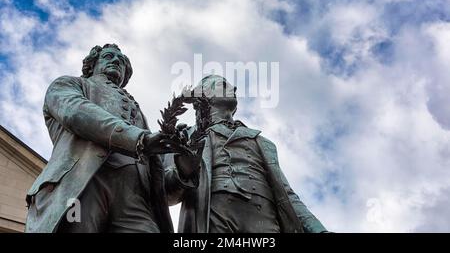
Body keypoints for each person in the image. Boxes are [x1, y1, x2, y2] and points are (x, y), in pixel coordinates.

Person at [25, 43, 187, 233]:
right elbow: (77, 113)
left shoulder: (139, 112)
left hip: (136, 197)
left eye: (121, 62)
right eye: (109, 57)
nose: (116, 61)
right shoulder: (69, 84)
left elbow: (162, 185)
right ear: (92, 64)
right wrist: (139, 139)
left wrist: (185, 164)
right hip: (84, 184)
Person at [165, 75, 328, 233]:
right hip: (213, 219)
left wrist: (318, 230)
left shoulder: (262, 142)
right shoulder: (183, 137)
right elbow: (166, 192)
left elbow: (288, 196)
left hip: (266, 221)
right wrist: (183, 170)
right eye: (223, 84)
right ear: (203, 93)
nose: (233, 88)